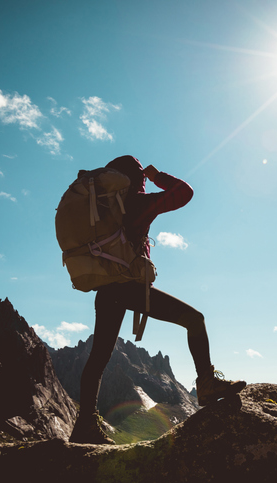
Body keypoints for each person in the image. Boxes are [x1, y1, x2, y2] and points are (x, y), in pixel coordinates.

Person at [69, 155, 246, 444]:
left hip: (107, 289)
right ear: (134, 179)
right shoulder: (138, 203)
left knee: (98, 357)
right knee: (194, 319)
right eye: (139, 177)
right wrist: (156, 175)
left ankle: (84, 425)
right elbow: (184, 193)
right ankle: (207, 385)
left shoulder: (103, 206)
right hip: (129, 286)